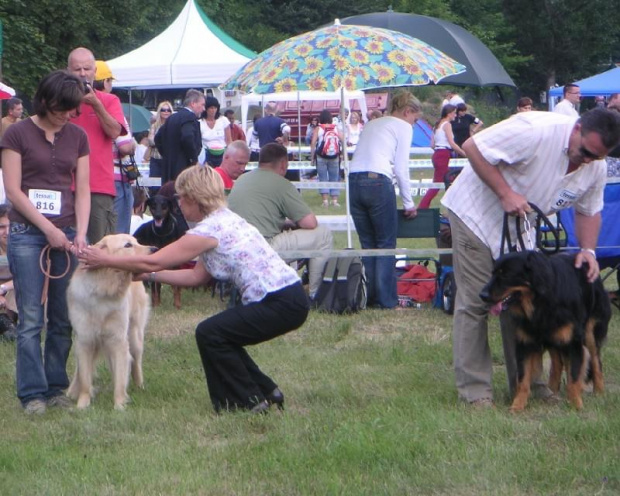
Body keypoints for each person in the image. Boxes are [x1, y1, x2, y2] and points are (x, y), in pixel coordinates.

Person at [80, 164, 309, 413]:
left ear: (192, 198)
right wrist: (149, 276)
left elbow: (154, 259)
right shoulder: (224, 220)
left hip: (280, 301)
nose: (178, 204)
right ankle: (266, 391)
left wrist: (105, 260)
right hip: (290, 297)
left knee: (211, 334)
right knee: (220, 334)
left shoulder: (208, 230)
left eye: (180, 198)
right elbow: (196, 276)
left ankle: (248, 402)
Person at [441, 108, 620, 408]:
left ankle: (531, 386)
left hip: (521, 225)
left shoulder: (594, 167)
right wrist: (504, 193)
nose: (588, 160)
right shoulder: (535, 129)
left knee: (525, 303)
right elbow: (473, 147)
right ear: (577, 128)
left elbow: (589, 210)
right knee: (476, 302)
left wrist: (588, 250)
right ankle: (476, 394)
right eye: (586, 151)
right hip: (475, 215)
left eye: (597, 157)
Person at [0, 70, 90, 415]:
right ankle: (31, 393)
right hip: (26, 233)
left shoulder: (78, 136)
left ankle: (55, 386)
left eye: (72, 110)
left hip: (67, 233)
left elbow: (81, 189)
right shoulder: (17, 133)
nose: (67, 115)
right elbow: (13, 191)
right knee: (31, 317)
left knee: (63, 316)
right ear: (45, 101)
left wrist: (79, 232)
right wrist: (47, 229)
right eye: (61, 109)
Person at [228, 143, 333, 301]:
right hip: (265, 249)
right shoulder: (281, 183)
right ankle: (314, 293)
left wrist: (283, 223)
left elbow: (259, 216)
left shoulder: (242, 180)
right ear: (284, 164)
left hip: (238, 250)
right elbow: (310, 223)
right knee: (323, 234)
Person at [348, 91, 420, 309]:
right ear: (407, 111)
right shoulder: (403, 127)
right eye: (415, 119)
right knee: (386, 244)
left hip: (354, 180)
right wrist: (408, 202)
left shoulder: (373, 123)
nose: (414, 124)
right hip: (378, 181)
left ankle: (368, 297)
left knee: (368, 244)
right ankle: (387, 300)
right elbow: (400, 168)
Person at [67, 47, 125, 244]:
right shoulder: (60, 101)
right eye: (77, 69)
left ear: (94, 71)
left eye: (87, 68)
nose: (83, 74)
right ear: (68, 71)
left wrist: (96, 104)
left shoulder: (109, 100)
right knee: (63, 249)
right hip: (62, 185)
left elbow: (115, 132)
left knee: (101, 249)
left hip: (98, 187)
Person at [93, 60, 136, 234]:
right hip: (117, 178)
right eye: (110, 81)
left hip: (95, 178)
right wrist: (133, 143)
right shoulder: (111, 106)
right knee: (118, 233)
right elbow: (125, 146)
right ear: (105, 82)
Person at [418, 104, 467, 209]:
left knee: (449, 181)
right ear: (449, 114)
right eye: (454, 113)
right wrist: (465, 154)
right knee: (437, 185)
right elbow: (452, 143)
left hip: (437, 154)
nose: (455, 115)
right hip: (443, 155)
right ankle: (422, 208)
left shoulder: (437, 125)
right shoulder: (447, 125)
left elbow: (432, 145)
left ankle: (453, 207)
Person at [155, 89, 204, 184]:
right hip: (184, 169)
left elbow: (158, 138)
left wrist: (167, 154)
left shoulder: (172, 118)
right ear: (193, 103)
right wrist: (193, 159)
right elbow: (187, 137)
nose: (203, 109)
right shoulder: (189, 117)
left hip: (169, 168)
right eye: (202, 105)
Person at [311, 109, 343, 208]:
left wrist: (312, 157)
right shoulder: (336, 128)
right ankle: (334, 201)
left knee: (322, 178)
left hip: (321, 156)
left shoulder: (318, 128)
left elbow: (313, 143)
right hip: (334, 156)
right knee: (334, 178)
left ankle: (325, 201)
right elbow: (343, 140)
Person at [0, 204, 17, 341]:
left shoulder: (25, 250)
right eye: (2, 227)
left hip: (15, 296)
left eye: (10, 226)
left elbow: (26, 278)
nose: (7, 231)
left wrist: (2, 288)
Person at [200, 96, 231, 167]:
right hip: (206, 155)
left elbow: (229, 140)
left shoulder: (223, 120)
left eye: (215, 108)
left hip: (222, 154)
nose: (213, 110)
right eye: (211, 108)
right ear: (206, 109)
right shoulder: (200, 123)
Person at [148, 101, 173, 179]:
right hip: (155, 159)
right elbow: (151, 141)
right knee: (154, 185)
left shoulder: (174, 125)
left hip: (169, 159)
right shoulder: (154, 126)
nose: (166, 112)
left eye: (168, 110)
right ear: (159, 111)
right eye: (163, 110)